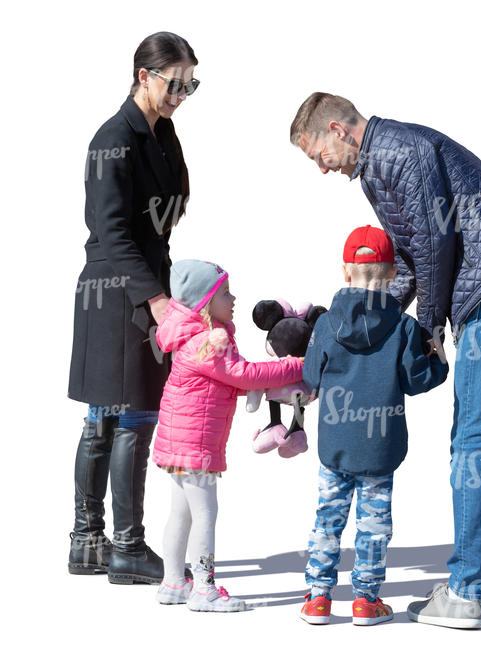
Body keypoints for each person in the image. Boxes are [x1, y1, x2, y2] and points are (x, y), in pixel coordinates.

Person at [291, 93, 481, 628]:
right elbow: (413, 259)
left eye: (317, 154)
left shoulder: (391, 153)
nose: (321, 168)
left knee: (474, 441)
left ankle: (465, 593)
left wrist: (430, 327)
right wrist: (371, 325)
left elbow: (435, 247)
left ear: (336, 130)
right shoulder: (387, 158)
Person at [68, 32, 200, 584]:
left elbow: (172, 207)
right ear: (145, 76)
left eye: (192, 84)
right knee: (124, 419)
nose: (183, 94)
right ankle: (121, 544)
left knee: (108, 419)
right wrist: (158, 299)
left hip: (141, 282)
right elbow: (112, 232)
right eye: (176, 83)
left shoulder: (162, 133)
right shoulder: (112, 139)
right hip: (117, 291)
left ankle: (88, 545)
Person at [300, 226, 448, 626]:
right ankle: (366, 600)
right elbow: (418, 382)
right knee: (374, 523)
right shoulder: (401, 328)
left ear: (345, 273)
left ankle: (317, 598)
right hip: (380, 447)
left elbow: (311, 378)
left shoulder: (326, 325)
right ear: (393, 276)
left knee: (327, 516)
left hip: (335, 445)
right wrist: (438, 358)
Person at [153, 259, 305, 611]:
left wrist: (258, 384)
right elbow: (243, 375)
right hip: (196, 442)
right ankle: (204, 588)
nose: (233, 298)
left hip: (181, 440)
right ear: (205, 301)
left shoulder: (192, 337)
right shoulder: (208, 340)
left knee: (181, 513)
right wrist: (297, 364)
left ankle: (173, 582)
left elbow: (223, 382)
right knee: (205, 514)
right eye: (225, 292)